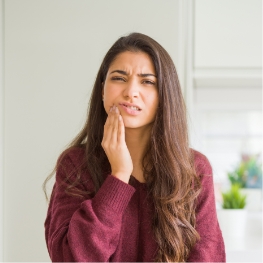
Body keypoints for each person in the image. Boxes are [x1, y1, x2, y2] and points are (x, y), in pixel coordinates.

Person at [43, 32, 225, 262]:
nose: (131, 92)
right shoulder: (75, 165)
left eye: (147, 81)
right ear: (102, 90)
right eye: (119, 78)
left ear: (164, 96)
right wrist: (118, 177)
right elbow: (70, 257)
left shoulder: (194, 169)